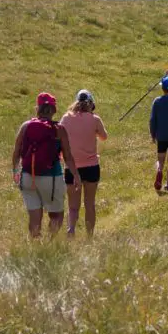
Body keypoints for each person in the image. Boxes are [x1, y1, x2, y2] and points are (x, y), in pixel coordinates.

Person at [12, 93, 81, 238]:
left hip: (27, 176)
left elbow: (16, 151)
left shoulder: (26, 126)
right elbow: (67, 156)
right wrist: (76, 175)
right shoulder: (59, 129)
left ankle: (35, 246)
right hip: (51, 178)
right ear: (54, 110)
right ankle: (50, 244)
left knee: (34, 218)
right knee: (56, 215)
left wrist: (15, 171)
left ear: (37, 108)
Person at [59, 89, 108, 237]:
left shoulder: (66, 118)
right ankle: (89, 236)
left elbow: (59, 136)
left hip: (71, 168)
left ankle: (71, 229)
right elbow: (104, 136)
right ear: (91, 104)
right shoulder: (95, 119)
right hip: (91, 167)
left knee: (73, 206)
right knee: (89, 204)